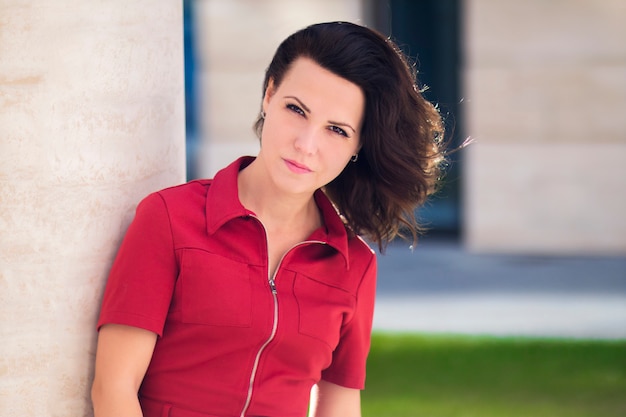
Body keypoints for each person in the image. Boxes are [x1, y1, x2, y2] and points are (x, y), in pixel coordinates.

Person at [91, 21, 445, 417]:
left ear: (358, 145)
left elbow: (340, 403)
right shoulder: (170, 219)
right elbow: (113, 390)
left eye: (336, 130)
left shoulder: (353, 266)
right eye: (296, 110)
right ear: (269, 94)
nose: (305, 145)